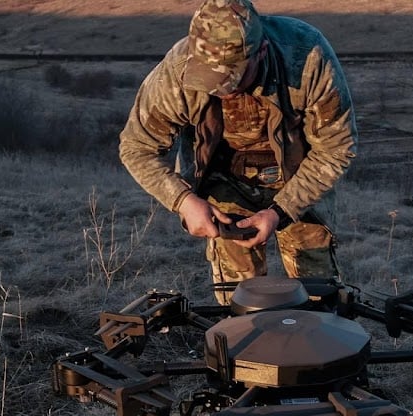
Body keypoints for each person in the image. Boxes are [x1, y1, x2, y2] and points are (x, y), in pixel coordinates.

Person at [119, 0, 357, 302]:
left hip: (301, 178)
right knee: (239, 303)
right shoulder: (178, 73)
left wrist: (281, 211)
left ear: (260, 52)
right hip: (224, 180)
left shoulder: (306, 57)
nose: (220, 89)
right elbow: (136, 147)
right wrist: (183, 201)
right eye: (210, 80)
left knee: (319, 293)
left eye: (231, 79)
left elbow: (337, 148)